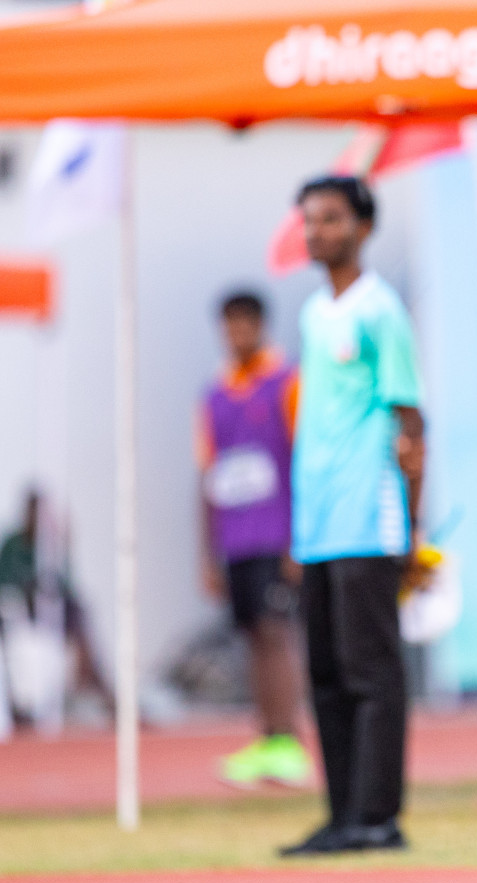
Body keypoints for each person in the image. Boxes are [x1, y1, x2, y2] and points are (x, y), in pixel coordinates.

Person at [279, 176, 426, 857]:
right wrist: (296, 524)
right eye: (309, 221)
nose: (317, 232)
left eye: (331, 219)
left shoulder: (380, 311)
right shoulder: (314, 314)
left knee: (372, 670)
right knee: (327, 672)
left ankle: (377, 816)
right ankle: (341, 815)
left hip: (369, 516)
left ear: (363, 226)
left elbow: (409, 422)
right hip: (318, 524)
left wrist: (413, 525)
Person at [197, 291, 312, 788]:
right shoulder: (215, 397)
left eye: (245, 324)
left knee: (276, 631)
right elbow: (205, 477)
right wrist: (206, 552)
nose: (236, 334)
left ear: (260, 325)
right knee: (250, 635)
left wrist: (297, 539)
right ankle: (266, 737)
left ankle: (289, 738)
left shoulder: (285, 384)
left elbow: (305, 460)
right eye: (228, 325)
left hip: (276, 534)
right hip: (235, 539)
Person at [0, 489, 112, 720]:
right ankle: (17, 705)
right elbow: (6, 580)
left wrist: (66, 543)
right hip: (16, 611)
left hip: (51, 610)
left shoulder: (52, 545)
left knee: (80, 615)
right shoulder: (14, 544)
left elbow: (68, 587)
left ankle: (95, 683)